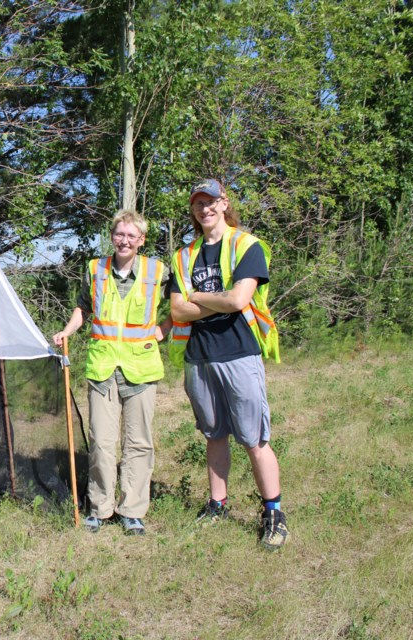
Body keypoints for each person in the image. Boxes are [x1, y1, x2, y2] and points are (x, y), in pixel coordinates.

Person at [168, 178, 287, 550]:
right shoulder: (183, 256)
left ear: (224, 203)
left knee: (255, 438)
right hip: (199, 358)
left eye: (211, 201)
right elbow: (176, 310)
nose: (205, 208)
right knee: (214, 435)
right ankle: (217, 504)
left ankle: (274, 513)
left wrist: (199, 297)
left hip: (239, 354)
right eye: (198, 203)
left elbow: (238, 300)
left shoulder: (246, 245)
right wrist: (215, 300)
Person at [53, 210, 172, 535]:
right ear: (112, 236)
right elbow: (82, 308)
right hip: (103, 368)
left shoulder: (157, 271)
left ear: (141, 240)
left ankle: (132, 511)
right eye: (120, 234)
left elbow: (180, 306)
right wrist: (68, 331)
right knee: (102, 443)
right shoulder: (95, 269)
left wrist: (164, 329)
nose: (125, 240)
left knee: (138, 443)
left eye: (132, 236)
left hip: (142, 368)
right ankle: (100, 509)